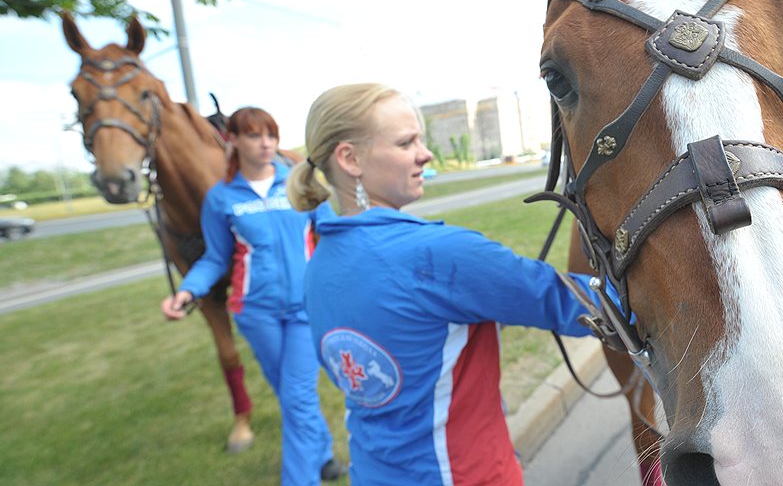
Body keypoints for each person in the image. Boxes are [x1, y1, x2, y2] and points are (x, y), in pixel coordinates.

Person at [285, 83, 617, 485]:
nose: (425, 154)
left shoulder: (318, 264)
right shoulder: (436, 255)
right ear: (350, 158)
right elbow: (572, 303)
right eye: (406, 142)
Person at [160, 107, 346, 484]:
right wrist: (186, 291)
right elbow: (215, 257)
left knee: (297, 396)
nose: (266, 144)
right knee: (290, 394)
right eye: (254, 136)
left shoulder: (300, 181)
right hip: (255, 313)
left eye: (271, 135)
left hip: (304, 310)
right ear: (233, 140)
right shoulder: (220, 198)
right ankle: (324, 455)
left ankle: (299, 478)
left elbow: (332, 231)